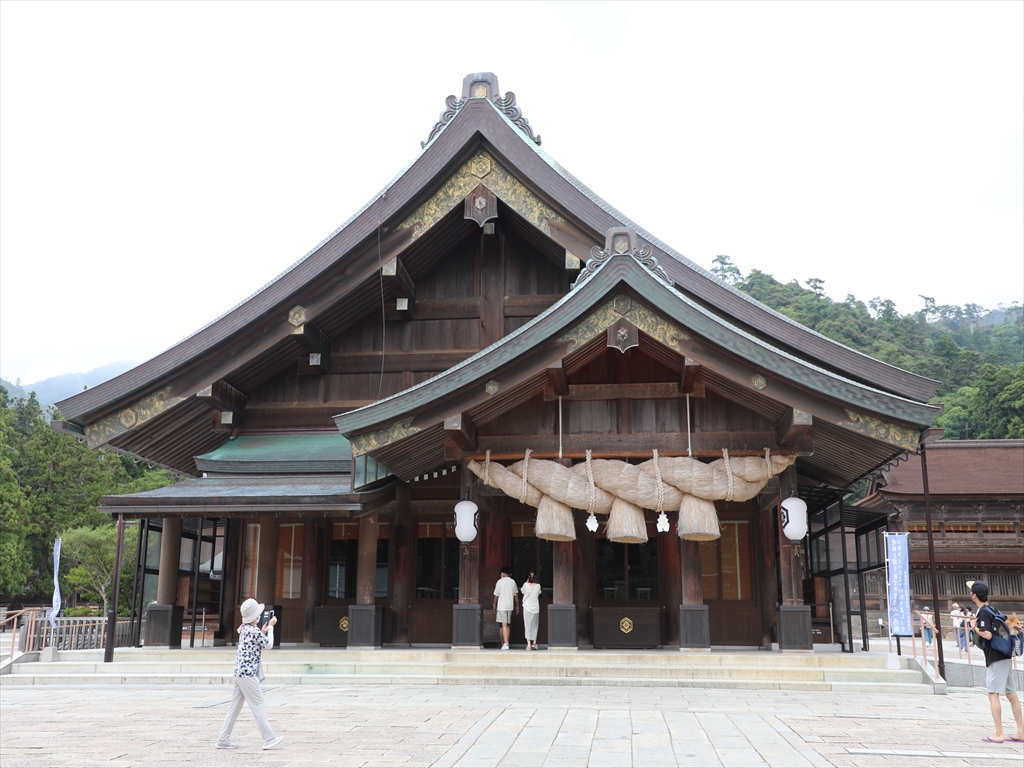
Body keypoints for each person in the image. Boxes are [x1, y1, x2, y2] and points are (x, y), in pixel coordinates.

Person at [216, 598, 285, 750]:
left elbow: (254, 640)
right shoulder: (254, 631)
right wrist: (271, 628)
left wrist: (263, 631)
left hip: (239, 672)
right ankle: (268, 739)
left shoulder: (243, 629)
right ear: (256, 616)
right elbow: (269, 645)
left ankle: (223, 739)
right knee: (258, 704)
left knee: (234, 707)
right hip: (248, 675)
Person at [969, 580, 1024, 744]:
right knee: (1011, 694)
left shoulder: (984, 612)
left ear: (974, 595)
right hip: (1005, 655)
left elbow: (987, 635)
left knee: (993, 694)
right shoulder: (993, 609)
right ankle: (1021, 731)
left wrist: (974, 627)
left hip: (996, 656)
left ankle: (999, 733)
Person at [493, 566, 519, 650]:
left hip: (502, 606)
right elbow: (516, 595)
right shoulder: (513, 582)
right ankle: (506, 642)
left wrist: (494, 605)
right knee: (507, 625)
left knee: (503, 625)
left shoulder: (499, 582)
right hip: (510, 606)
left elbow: (496, 595)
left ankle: (505, 643)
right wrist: (517, 605)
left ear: (502, 573)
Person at [521, 571, 542, 651]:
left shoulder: (525, 585)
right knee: (535, 625)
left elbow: (522, 591)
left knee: (527, 625)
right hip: (535, 608)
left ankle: (529, 644)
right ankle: (534, 642)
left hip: (527, 607)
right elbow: (539, 593)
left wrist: (526, 582)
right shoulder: (538, 586)